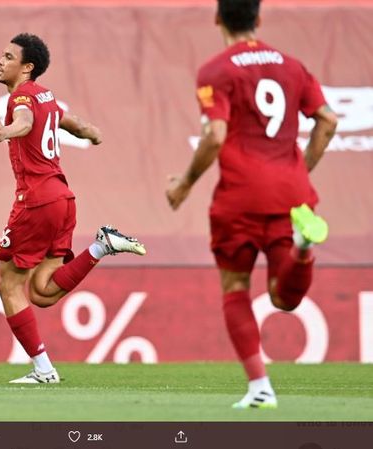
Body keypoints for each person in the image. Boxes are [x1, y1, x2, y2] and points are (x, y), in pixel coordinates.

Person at [166, 0, 338, 408]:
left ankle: (260, 387)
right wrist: (300, 172)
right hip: (290, 196)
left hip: (240, 196)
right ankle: (304, 246)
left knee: (236, 286)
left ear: (217, 18)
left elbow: (214, 136)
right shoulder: (293, 66)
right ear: (259, 18)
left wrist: (185, 183)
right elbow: (328, 120)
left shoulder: (216, 70)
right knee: (284, 298)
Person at [0, 33, 146, 384]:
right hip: (63, 199)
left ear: (27, 67)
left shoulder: (23, 96)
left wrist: (6, 132)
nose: (0, 60)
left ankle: (44, 370)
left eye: (8, 56)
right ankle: (103, 245)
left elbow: (25, 123)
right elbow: (75, 123)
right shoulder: (47, 97)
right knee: (42, 292)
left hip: (37, 200)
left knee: (9, 285)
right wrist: (93, 134)